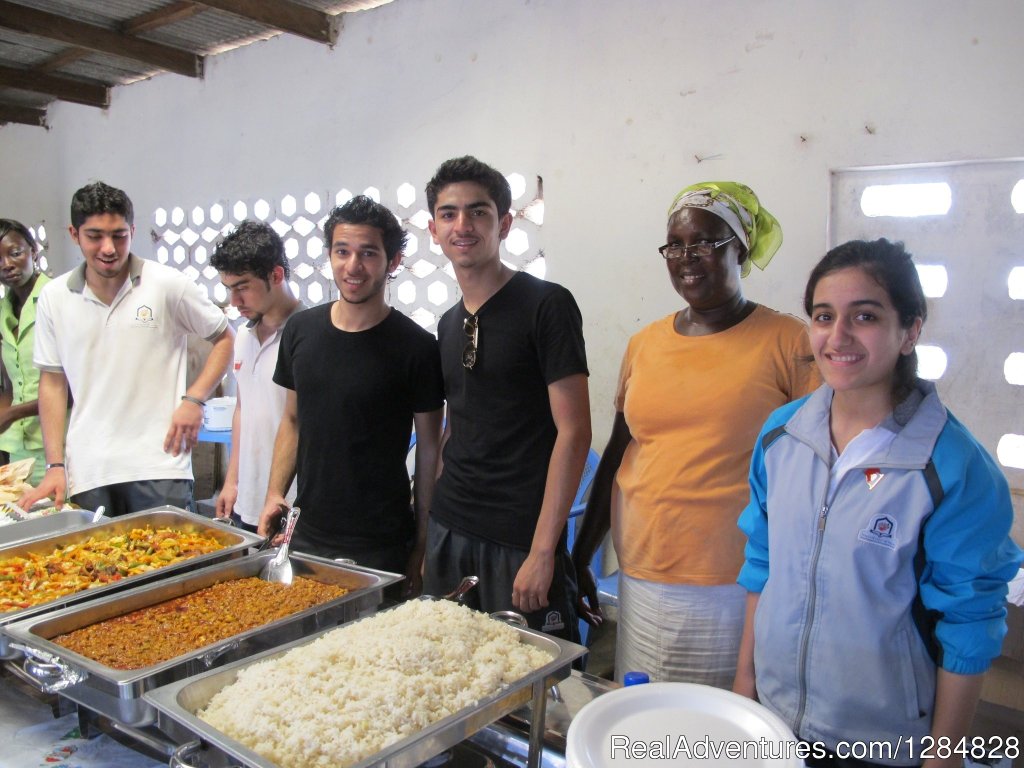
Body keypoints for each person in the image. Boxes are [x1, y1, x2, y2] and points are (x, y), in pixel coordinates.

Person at [734, 239, 1022, 767]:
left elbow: (969, 622)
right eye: (824, 316)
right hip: (774, 722)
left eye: (863, 316)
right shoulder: (783, 435)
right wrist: (744, 689)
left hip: (883, 744)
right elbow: (762, 563)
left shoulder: (951, 467)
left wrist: (944, 758)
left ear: (910, 330)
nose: (837, 336)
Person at [570, 181, 818, 686]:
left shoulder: (789, 342)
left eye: (706, 242)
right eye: (676, 245)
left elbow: (816, 468)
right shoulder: (645, 343)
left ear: (741, 247)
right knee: (647, 714)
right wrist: (579, 560)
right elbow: (620, 454)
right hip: (644, 570)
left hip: (734, 579)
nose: (688, 258)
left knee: (718, 724)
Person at [422, 156, 591, 641]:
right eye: (449, 214)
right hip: (451, 528)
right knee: (448, 674)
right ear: (434, 229)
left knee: (535, 685)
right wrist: (431, 531)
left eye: (479, 212)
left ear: (505, 223)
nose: (463, 225)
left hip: (520, 540)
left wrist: (543, 551)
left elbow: (575, 432)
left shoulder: (546, 305)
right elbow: (458, 423)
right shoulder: (448, 324)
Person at [259, 195, 443, 597]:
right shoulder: (300, 331)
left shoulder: (417, 347)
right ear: (329, 255)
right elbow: (292, 421)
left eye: (368, 253)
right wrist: (275, 492)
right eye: (342, 252)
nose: (353, 266)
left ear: (392, 262)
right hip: (307, 533)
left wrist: (423, 541)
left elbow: (430, 451)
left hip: (383, 540)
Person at [21, 182, 234, 515]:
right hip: (89, 470)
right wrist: (55, 465)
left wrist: (194, 399)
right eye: (95, 236)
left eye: (119, 235)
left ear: (132, 231)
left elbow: (224, 338)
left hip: (161, 465)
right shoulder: (55, 297)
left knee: (174, 564)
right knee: (97, 567)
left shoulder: (166, 284)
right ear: (74, 234)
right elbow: (52, 382)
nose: (109, 248)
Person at [210, 221, 302, 533]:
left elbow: (303, 424)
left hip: (290, 506)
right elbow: (242, 410)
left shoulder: (309, 335)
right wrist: (231, 481)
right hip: (246, 502)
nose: (234, 301)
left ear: (276, 276)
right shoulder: (244, 337)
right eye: (229, 289)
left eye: (242, 287)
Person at [0, 220, 51, 485]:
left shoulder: (57, 299)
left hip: (57, 443)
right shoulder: (2, 312)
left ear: (33, 252)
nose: (6, 264)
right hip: (17, 447)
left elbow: (74, 386)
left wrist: (11, 414)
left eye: (15, 253)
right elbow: (10, 384)